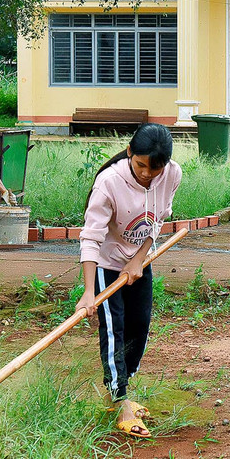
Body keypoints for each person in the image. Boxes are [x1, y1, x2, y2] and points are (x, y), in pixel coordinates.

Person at [75, 124, 182, 438]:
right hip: (106, 264)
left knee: (140, 325)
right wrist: (89, 291)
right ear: (130, 152)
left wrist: (138, 258)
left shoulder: (172, 174)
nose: (147, 174)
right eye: (141, 165)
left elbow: (158, 219)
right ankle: (119, 398)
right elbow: (91, 237)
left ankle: (122, 387)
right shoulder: (109, 182)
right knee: (114, 330)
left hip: (139, 262)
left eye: (154, 169)